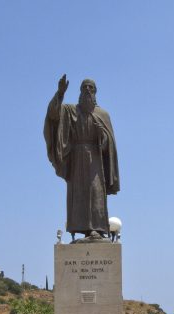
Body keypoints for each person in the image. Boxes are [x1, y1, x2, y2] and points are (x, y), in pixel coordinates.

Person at [44, 74, 120, 242]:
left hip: (95, 159)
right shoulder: (71, 110)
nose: (87, 90)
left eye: (90, 88)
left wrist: (103, 136)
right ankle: (80, 228)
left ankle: (96, 229)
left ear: (95, 93)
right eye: (84, 87)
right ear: (79, 92)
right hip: (77, 159)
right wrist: (60, 93)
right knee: (78, 194)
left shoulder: (103, 114)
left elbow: (110, 145)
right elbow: (53, 115)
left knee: (95, 192)